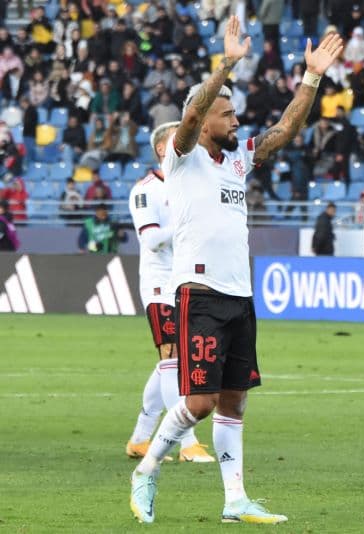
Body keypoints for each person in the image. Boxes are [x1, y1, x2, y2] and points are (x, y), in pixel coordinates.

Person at [128, 18, 342, 525]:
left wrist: (310, 78)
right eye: (227, 113)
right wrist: (224, 66)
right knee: (198, 403)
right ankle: (148, 470)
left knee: (233, 404)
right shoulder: (182, 158)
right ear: (203, 122)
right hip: (198, 294)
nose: (236, 121)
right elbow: (196, 108)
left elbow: (287, 129)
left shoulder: (238, 161)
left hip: (239, 296)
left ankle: (234, 500)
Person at [125, 121, 215, 465]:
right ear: (163, 149)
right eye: (182, 139)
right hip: (160, 283)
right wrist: (185, 223)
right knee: (173, 361)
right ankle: (186, 442)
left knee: (170, 361)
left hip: (185, 281)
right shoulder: (146, 190)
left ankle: (139, 439)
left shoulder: (187, 184)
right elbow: (149, 239)